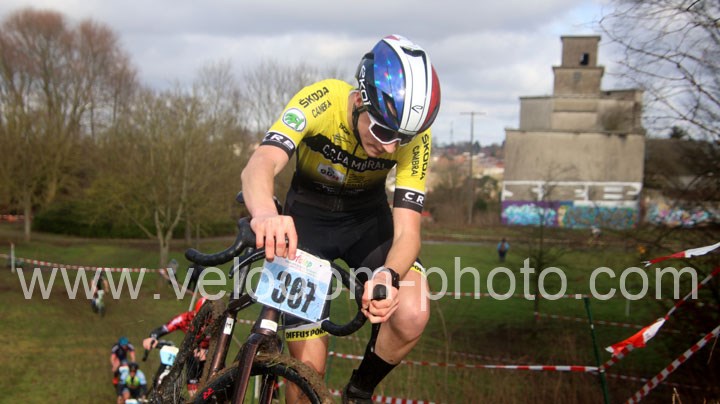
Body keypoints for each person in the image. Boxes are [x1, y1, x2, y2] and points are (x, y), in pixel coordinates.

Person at [241, 34, 441, 403]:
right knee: (307, 373)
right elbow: (261, 162)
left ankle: (359, 391)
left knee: (412, 311)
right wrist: (266, 213)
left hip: (366, 223)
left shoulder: (413, 137)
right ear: (360, 99)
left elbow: (408, 233)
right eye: (382, 131)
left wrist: (389, 274)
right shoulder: (321, 100)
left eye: (401, 139)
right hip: (306, 225)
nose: (389, 147)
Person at [142, 297, 208, 395]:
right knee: (194, 388)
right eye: (201, 318)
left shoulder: (217, 321)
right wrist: (153, 337)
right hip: (193, 354)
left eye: (208, 320)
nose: (204, 324)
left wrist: (206, 350)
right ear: (195, 313)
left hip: (211, 353)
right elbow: (165, 328)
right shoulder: (186, 318)